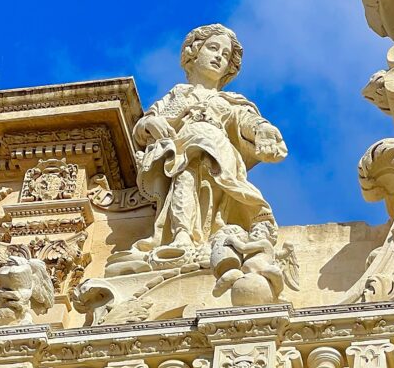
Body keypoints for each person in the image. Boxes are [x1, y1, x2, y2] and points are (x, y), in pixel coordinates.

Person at [110, 24, 287, 272]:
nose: (218, 57)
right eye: (213, 48)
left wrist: (262, 131)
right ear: (194, 53)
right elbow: (143, 126)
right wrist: (152, 124)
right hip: (181, 153)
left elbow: (246, 120)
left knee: (205, 168)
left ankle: (211, 233)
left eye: (225, 55)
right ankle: (182, 235)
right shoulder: (177, 95)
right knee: (184, 178)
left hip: (218, 157)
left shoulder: (228, 100)